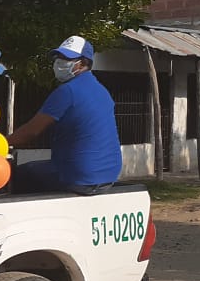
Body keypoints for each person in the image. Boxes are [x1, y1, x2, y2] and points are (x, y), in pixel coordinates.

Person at [8, 36, 122, 195]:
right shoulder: (102, 91)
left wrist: (0, 142)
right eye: (58, 57)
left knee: (19, 174)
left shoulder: (67, 91)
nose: (59, 62)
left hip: (78, 176)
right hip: (108, 175)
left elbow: (31, 132)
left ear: (82, 63)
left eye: (66, 58)